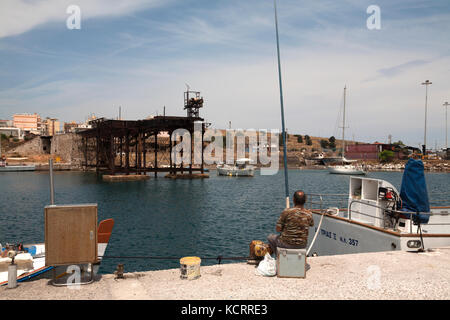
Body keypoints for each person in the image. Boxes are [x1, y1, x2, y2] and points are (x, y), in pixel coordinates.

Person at [267, 190, 314, 256]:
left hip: (286, 244)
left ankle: (279, 257)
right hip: (302, 245)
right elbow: (311, 224)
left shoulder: (287, 212)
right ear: (305, 200)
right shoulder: (309, 214)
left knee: (270, 237)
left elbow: (278, 229)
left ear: (293, 199)